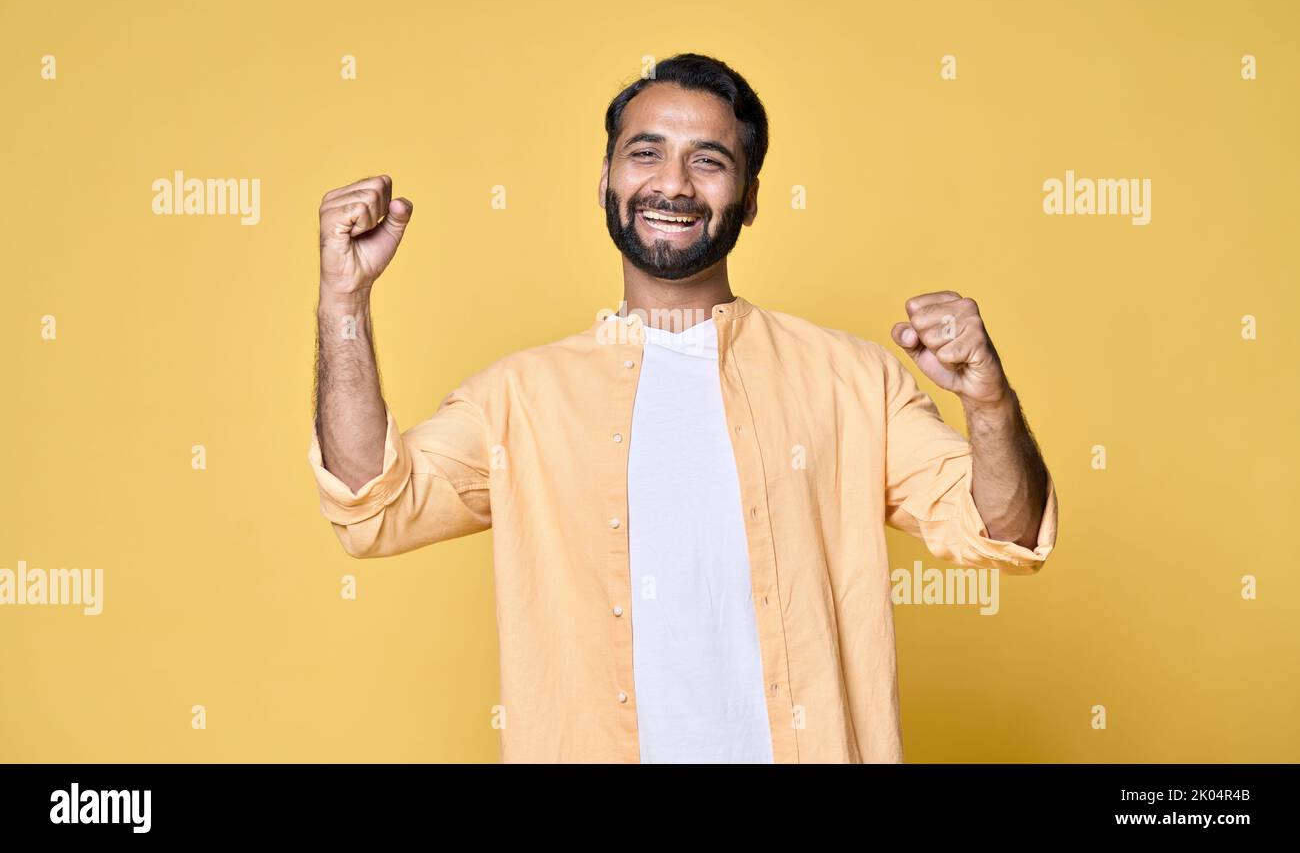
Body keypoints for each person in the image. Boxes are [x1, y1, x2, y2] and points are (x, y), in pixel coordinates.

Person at [308, 52, 1058, 763]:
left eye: (709, 160)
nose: (674, 184)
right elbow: (374, 507)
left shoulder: (852, 381)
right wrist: (344, 298)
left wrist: (988, 400)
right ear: (604, 178)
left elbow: (1006, 530)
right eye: (646, 153)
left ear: (751, 197)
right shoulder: (519, 400)